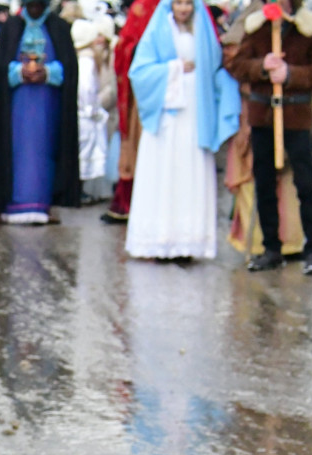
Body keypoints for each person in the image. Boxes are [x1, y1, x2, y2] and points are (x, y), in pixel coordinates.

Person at [125, 0, 239, 261]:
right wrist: (174, 69)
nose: (184, 8)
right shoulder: (158, 30)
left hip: (196, 112)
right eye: (178, 3)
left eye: (188, 3)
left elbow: (214, 68)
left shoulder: (203, 31)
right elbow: (140, 72)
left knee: (190, 168)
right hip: (167, 115)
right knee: (164, 169)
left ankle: (188, 241)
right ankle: (159, 239)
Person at [227, 0, 312, 274]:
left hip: (295, 118)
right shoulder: (256, 25)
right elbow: (238, 66)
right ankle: (271, 248)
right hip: (263, 117)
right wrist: (262, 66)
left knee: (305, 183)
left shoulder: (310, 27)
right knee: (265, 183)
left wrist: (290, 74)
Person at [0, 0, 79, 224]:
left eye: (39, 6)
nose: (35, 10)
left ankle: (45, 203)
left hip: (48, 106)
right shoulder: (11, 27)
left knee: (46, 151)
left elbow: (70, 66)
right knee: (15, 149)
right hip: (16, 106)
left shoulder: (59, 27)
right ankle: (9, 204)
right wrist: (18, 72)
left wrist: (48, 73)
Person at [101, 0, 157, 223]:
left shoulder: (187, 7)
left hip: (174, 93)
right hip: (140, 94)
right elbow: (125, 46)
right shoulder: (142, 7)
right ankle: (130, 200)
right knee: (135, 144)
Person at [72, 19, 109, 202]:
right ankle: (78, 192)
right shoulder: (87, 61)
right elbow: (87, 89)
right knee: (84, 155)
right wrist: (93, 109)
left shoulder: (78, 59)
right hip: (86, 115)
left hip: (82, 113)